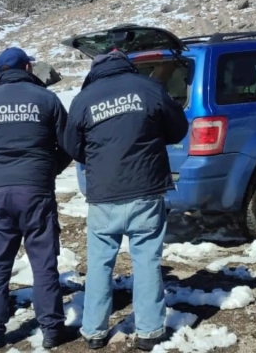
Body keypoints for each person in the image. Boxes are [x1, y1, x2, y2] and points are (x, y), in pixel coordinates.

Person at [63, 50, 189, 351]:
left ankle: (93, 331)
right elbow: (178, 128)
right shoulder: (148, 88)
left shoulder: (85, 98)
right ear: (128, 65)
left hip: (104, 194)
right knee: (146, 260)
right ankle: (149, 330)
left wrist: (97, 156)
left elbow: (71, 145)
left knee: (99, 263)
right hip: (146, 190)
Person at [0, 47, 73, 350]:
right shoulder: (47, 99)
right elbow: (70, 143)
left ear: (0, 71)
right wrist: (49, 169)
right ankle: (51, 330)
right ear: (27, 67)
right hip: (36, 191)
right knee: (44, 263)